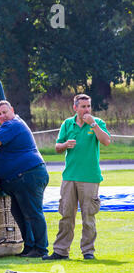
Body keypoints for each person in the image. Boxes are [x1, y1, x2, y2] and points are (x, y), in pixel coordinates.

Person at [43, 94, 111, 260]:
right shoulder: (67, 124)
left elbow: (106, 141)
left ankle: (88, 252)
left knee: (88, 216)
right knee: (66, 215)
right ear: (75, 107)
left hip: (90, 177)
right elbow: (58, 147)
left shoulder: (97, 123)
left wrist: (93, 124)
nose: (86, 109)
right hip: (69, 177)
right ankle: (60, 251)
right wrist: (66, 145)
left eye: (88, 106)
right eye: (83, 106)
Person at [0, 100, 49, 258]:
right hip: (22, 177)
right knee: (19, 213)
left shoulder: (12, 124)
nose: (2, 116)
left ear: (12, 110)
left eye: (4, 112)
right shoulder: (12, 125)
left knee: (33, 213)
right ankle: (29, 247)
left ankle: (41, 249)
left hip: (28, 174)